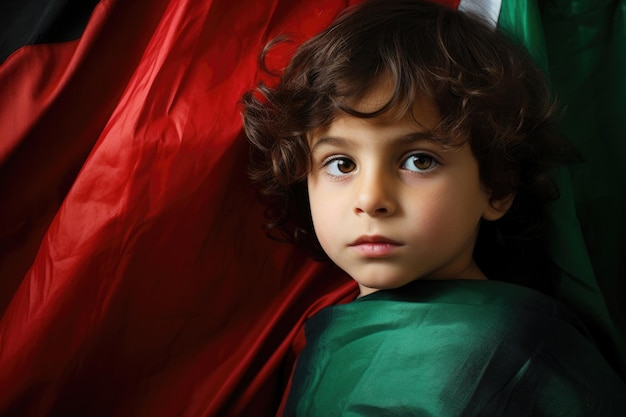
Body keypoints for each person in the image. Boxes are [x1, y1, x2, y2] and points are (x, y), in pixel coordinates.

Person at [242, 0, 626, 415]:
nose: (371, 199)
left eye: (419, 161)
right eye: (342, 164)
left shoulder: (515, 351)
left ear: (496, 187)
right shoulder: (329, 339)